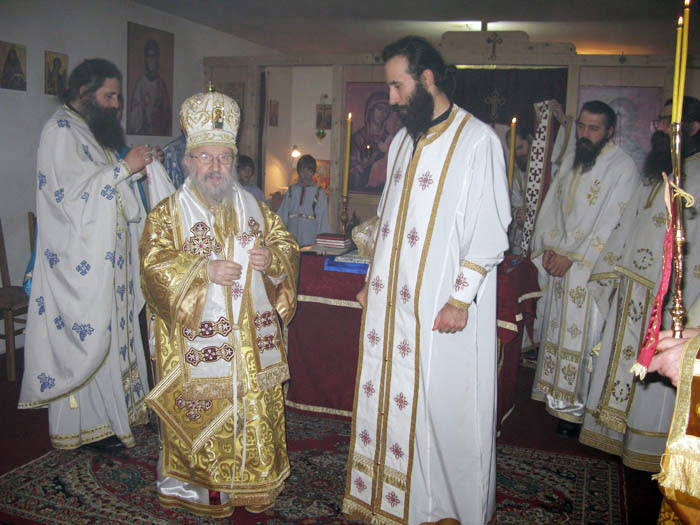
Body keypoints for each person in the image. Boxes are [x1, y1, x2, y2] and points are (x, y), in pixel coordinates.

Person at [342, 36, 511, 525]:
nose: (391, 98)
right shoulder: (402, 141)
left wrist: (460, 300)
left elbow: (490, 229)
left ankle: (443, 509)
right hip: (391, 302)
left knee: (441, 408)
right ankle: (387, 500)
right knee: (390, 394)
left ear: (428, 79)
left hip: (442, 304)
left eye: (398, 86)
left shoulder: (477, 140)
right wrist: (373, 277)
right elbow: (389, 220)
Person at [139, 89, 300, 517]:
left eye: (224, 158)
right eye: (205, 158)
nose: (215, 167)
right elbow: (152, 267)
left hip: (250, 347)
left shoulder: (255, 208)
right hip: (198, 349)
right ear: (189, 162)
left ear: (233, 161)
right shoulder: (167, 215)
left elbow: (285, 245)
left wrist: (272, 259)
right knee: (208, 418)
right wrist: (202, 272)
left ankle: (255, 483)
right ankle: (204, 488)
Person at [18, 58, 154, 449]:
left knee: (114, 336)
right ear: (84, 92)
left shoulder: (91, 131)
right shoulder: (60, 131)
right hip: (80, 264)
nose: (116, 105)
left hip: (107, 261)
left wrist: (135, 169)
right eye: (109, 96)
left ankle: (117, 416)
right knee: (90, 338)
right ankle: (89, 428)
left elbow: (109, 187)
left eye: (117, 97)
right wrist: (123, 169)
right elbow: (71, 198)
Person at [578, 96, 700, 470]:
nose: (658, 127)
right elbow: (629, 220)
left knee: (655, 376)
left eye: (667, 121)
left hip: (669, 295)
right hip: (631, 284)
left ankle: (645, 449)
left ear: (693, 128)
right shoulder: (657, 169)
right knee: (618, 364)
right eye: (659, 120)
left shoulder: (696, 175)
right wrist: (612, 269)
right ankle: (613, 437)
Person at [529, 100, 640, 438]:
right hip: (559, 264)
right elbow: (553, 205)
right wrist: (549, 247)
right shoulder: (573, 159)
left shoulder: (623, 168)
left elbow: (613, 223)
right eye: (581, 126)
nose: (585, 134)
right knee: (556, 331)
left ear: (609, 131)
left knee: (584, 337)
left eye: (594, 128)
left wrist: (573, 255)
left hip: (589, 269)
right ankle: (555, 398)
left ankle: (576, 411)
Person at [349, 90, 402, 191]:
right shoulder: (358, 138)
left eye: (386, 110)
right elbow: (354, 175)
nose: (382, 114)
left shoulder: (389, 138)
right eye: (379, 109)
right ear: (371, 110)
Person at [276, 154, 330, 246]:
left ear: (313, 172)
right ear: (298, 171)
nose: (305, 174)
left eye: (309, 171)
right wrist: (280, 235)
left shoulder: (319, 192)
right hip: (292, 237)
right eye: (302, 170)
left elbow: (322, 219)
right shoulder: (291, 190)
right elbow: (282, 215)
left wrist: (322, 241)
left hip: (310, 237)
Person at [128, 39, 171, 135]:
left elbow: (166, 114)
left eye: (153, 57)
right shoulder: (140, 84)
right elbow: (134, 117)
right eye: (149, 57)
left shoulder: (161, 85)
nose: (151, 61)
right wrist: (143, 106)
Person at [505, 126, 533, 256]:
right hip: (521, 238)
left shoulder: (550, 167)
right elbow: (511, 205)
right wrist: (518, 215)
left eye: (521, 147)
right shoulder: (514, 176)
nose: (518, 153)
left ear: (530, 141)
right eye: (514, 150)